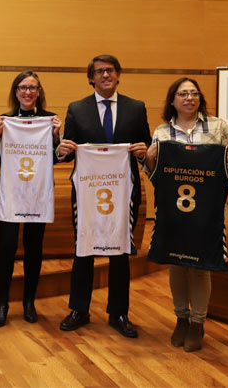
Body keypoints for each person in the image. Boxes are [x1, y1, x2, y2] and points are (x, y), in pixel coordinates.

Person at [145, 77, 228, 352]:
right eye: (183, 94)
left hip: (208, 212)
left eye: (194, 93)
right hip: (173, 211)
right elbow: (154, 175)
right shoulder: (161, 132)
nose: (189, 98)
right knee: (177, 263)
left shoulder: (218, 126)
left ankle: (198, 323)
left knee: (200, 267)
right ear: (173, 100)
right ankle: (181, 318)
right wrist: (150, 159)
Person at [56, 54, 151, 338]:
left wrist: (145, 152)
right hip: (87, 191)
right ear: (92, 78)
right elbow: (66, 152)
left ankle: (119, 312)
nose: (105, 75)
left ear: (118, 75)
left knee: (120, 250)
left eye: (110, 71)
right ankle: (79, 309)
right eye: (99, 72)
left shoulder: (136, 108)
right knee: (83, 248)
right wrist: (62, 151)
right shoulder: (77, 108)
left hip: (124, 191)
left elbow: (145, 144)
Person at [0, 71, 61, 327]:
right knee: (5, 249)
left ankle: (29, 302)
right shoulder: (4, 120)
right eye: (23, 88)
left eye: (32, 88)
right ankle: (2, 304)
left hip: (38, 194)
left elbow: (57, 157)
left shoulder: (49, 121)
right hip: (11, 193)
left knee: (33, 249)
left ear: (39, 92)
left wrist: (55, 137)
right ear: (16, 92)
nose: (27, 92)